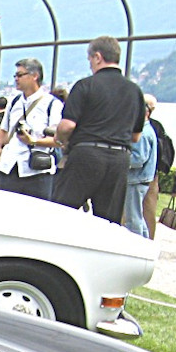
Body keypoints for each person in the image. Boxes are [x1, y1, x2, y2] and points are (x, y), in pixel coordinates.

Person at [51, 36, 145, 222]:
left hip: (87, 153)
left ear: (97, 57)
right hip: (119, 158)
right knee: (108, 221)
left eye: (90, 59)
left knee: (61, 212)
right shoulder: (135, 91)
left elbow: (68, 125)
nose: (90, 64)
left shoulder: (86, 85)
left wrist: (60, 138)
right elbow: (136, 136)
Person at [0, 57, 63, 200]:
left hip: (36, 170)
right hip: (9, 167)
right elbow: (4, 130)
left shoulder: (51, 104)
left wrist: (33, 141)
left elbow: (58, 140)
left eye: (20, 75)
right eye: (15, 75)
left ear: (35, 76)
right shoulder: (14, 102)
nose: (16, 79)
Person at [122, 100, 158, 237]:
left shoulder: (143, 133)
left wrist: (122, 158)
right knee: (138, 216)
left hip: (136, 179)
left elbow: (139, 159)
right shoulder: (148, 130)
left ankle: (135, 243)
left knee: (133, 218)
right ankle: (144, 241)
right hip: (141, 179)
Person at [141, 94, 174, 239]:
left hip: (140, 173)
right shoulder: (157, 126)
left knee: (130, 210)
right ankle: (149, 240)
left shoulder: (139, 124)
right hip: (152, 174)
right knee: (149, 210)